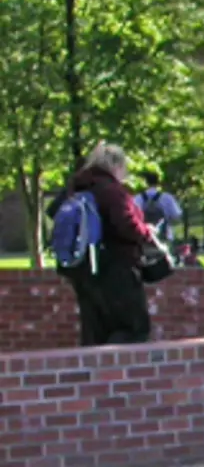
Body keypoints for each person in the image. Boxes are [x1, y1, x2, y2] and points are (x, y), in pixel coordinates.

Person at [50, 143, 162, 345]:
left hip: (83, 270)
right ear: (116, 165)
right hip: (116, 268)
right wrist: (147, 231)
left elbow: (53, 211)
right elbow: (126, 226)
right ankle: (122, 374)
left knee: (94, 334)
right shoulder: (111, 191)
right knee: (132, 329)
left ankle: (94, 375)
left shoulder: (75, 187)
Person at [134, 171, 183, 245]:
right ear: (158, 183)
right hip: (164, 237)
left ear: (145, 183)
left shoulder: (137, 198)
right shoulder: (167, 198)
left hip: (144, 237)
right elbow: (177, 217)